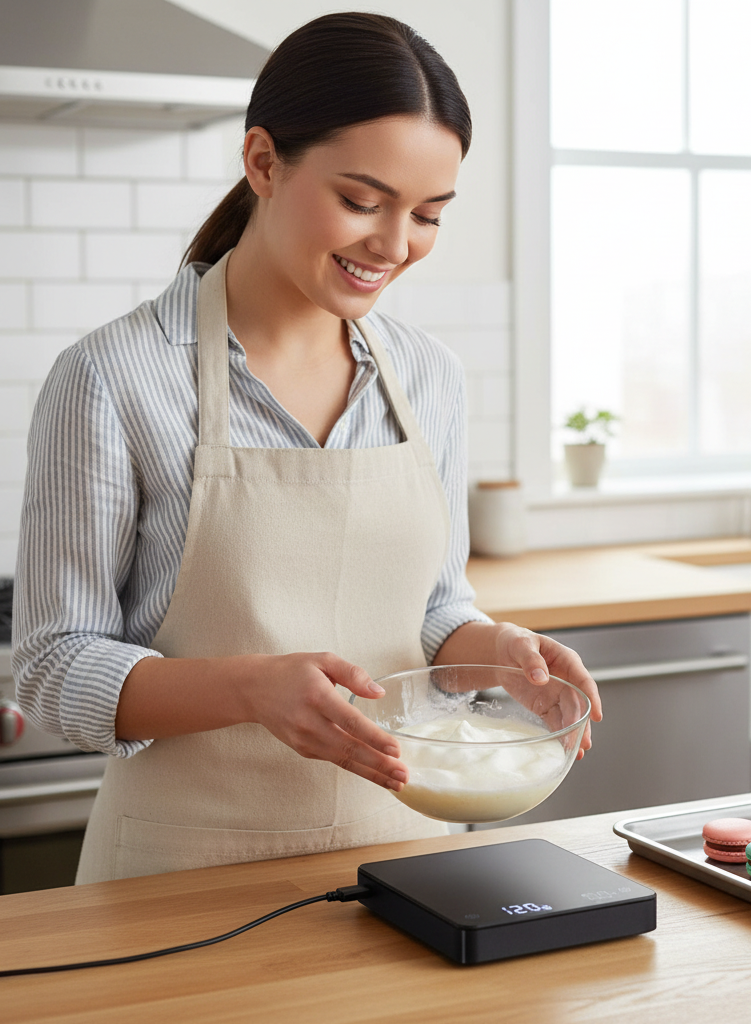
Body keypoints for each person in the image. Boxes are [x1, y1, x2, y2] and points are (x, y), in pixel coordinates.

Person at [12, 13, 601, 884]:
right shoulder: (113, 377)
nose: (395, 246)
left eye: (428, 215)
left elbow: (430, 607)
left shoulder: (429, 377)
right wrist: (252, 689)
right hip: (177, 877)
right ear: (262, 162)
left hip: (405, 863)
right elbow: (54, 665)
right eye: (362, 202)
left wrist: (488, 649)